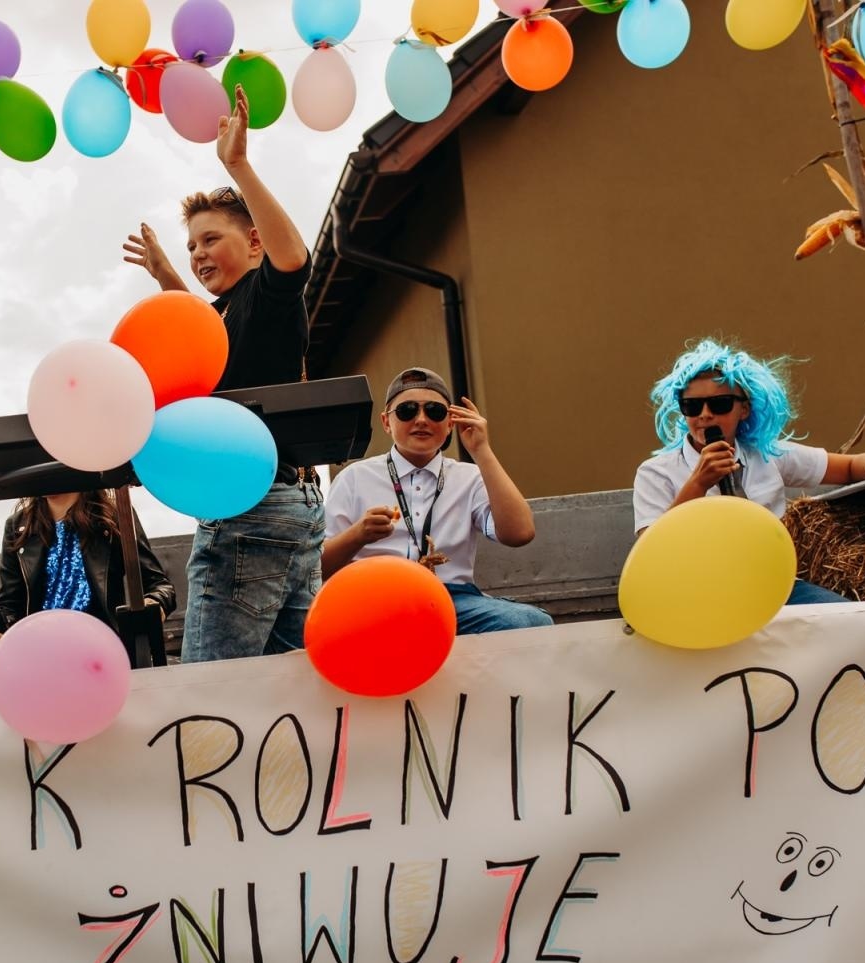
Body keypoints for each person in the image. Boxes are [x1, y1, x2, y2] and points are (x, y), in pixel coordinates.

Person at [123, 85, 321, 662]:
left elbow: (292, 261)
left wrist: (238, 166)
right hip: (290, 506)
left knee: (211, 687)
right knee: (290, 683)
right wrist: (166, 276)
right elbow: (208, 341)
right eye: (192, 246)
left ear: (254, 242)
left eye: (211, 239)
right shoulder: (228, 312)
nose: (198, 253)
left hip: (251, 508)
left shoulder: (266, 294)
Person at [633, 339, 865, 604]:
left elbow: (849, 467)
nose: (705, 414)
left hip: (772, 586)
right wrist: (698, 483)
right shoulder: (656, 473)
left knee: (847, 618)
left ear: (744, 409)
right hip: (699, 594)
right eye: (692, 406)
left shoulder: (768, 455)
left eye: (720, 404)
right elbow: (652, 553)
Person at [324, 367, 553, 633]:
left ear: (450, 423)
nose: (422, 419)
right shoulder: (354, 477)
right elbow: (318, 568)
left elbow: (520, 533)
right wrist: (358, 535)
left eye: (435, 411)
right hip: (374, 598)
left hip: (450, 599)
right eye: (407, 410)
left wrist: (481, 450)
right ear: (386, 422)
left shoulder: (469, 477)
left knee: (530, 622)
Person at [0, 491, 177, 653]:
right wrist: (6, 630)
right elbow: (8, 602)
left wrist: (153, 605)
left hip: (103, 651)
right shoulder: (17, 525)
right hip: (42, 655)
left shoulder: (113, 515)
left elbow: (160, 586)